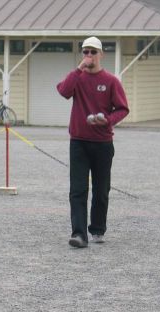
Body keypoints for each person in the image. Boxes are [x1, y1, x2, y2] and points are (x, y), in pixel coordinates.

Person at [57, 37, 129, 248]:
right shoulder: (77, 77)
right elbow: (63, 91)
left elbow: (123, 108)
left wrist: (108, 120)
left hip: (102, 143)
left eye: (93, 52)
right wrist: (78, 69)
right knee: (77, 189)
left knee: (101, 189)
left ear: (101, 55)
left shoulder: (111, 81)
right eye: (85, 52)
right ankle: (79, 234)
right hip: (78, 141)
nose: (89, 56)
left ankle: (97, 228)